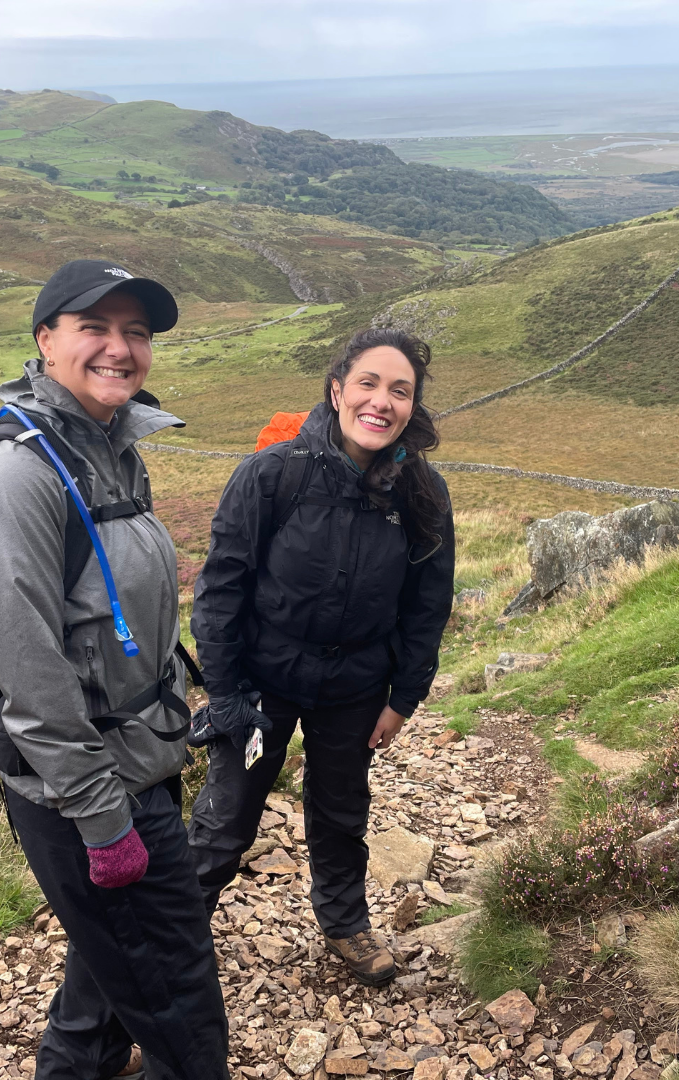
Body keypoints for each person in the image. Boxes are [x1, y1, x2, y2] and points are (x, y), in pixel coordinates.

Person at [0, 260, 229, 1080]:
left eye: (135, 331)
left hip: (140, 764)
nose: (120, 348)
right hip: (92, 797)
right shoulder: (16, 478)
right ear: (44, 342)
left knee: (106, 984)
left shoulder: (108, 447)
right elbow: (30, 676)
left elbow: (115, 618)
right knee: (181, 1013)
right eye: (94, 328)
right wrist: (106, 821)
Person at [187, 327, 455, 986]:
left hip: (356, 685)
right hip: (261, 681)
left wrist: (403, 696)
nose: (382, 402)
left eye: (400, 391)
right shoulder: (272, 474)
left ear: (411, 407)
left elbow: (428, 603)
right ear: (337, 390)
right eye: (368, 383)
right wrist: (224, 697)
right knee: (225, 822)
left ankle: (343, 923)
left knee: (341, 813)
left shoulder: (422, 492)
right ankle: (177, 931)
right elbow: (220, 589)